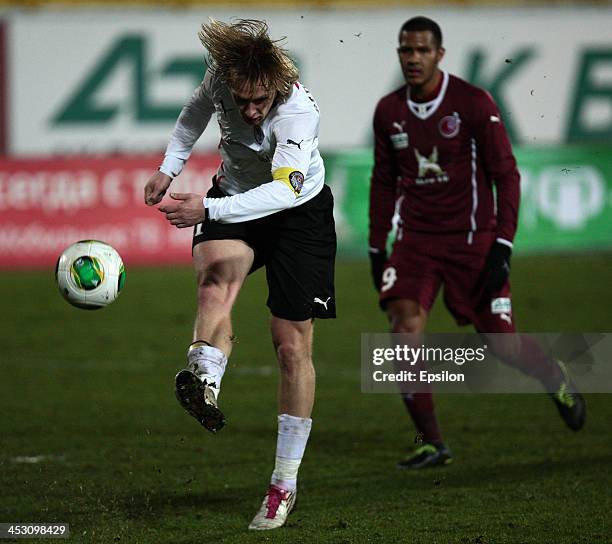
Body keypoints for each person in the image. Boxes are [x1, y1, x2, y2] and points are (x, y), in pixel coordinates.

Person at [368, 16, 585, 469]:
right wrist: (376, 245)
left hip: (473, 242)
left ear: (439, 55)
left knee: (502, 344)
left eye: (422, 50)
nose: (413, 58)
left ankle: (551, 374)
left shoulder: (472, 102)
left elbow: (505, 175)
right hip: (415, 244)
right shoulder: (389, 111)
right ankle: (431, 442)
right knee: (404, 328)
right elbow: (384, 181)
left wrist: (503, 245)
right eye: (406, 50)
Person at [144, 19, 336, 529]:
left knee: (290, 345)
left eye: (260, 102)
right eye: (242, 100)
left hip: (298, 214)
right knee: (215, 281)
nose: (250, 111)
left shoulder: (297, 113)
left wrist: (206, 209)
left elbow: (284, 193)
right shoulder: (219, 79)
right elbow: (192, 116)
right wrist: (170, 164)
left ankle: (283, 485)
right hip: (233, 196)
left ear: (276, 86)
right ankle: (204, 382)